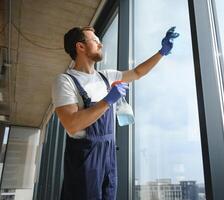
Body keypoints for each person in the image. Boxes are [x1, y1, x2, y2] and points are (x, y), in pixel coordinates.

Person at [52, 25, 179, 200]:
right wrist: (107, 101)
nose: (101, 45)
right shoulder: (65, 81)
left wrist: (161, 52)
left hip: (109, 154)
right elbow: (72, 124)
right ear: (80, 47)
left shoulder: (106, 77)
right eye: (96, 41)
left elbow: (137, 72)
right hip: (85, 158)